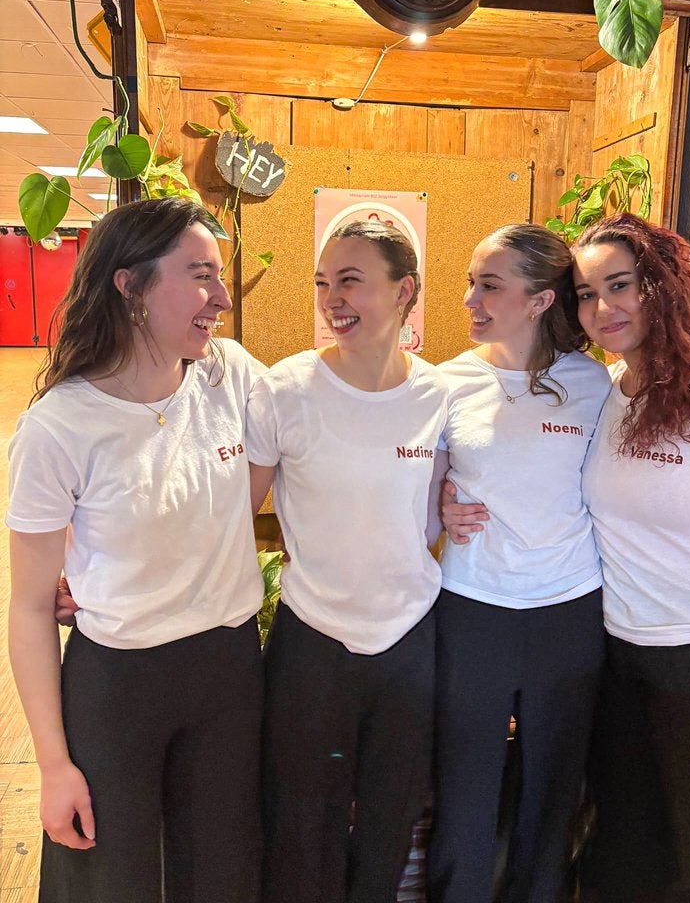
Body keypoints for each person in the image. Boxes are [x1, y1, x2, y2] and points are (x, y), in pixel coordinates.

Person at [6, 198, 266, 903]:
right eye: (201, 276)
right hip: (119, 683)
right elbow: (29, 609)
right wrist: (53, 767)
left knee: (221, 873)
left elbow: (314, 435)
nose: (221, 298)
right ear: (130, 285)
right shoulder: (59, 427)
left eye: (220, 276)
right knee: (111, 878)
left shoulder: (230, 375)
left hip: (229, 668)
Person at [245, 218, 448, 903]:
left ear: (405, 291)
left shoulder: (437, 395)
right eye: (323, 282)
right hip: (314, 643)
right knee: (303, 825)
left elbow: (444, 503)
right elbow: (230, 516)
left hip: (408, 641)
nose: (333, 299)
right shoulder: (287, 388)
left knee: (392, 820)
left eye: (352, 281)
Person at [571, 213, 690, 903]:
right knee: (627, 858)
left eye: (619, 285)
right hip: (620, 659)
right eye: (587, 293)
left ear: (663, 285)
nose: (603, 307)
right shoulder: (610, 391)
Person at [426, 224, 611, 903]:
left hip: (568, 610)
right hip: (473, 607)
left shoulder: (594, 383)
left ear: (539, 300)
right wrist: (440, 506)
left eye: (489, 285)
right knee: (464, 790)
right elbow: (421, 496)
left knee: (552, 791)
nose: (470, 300)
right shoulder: (447, 383)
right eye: (470, 283)